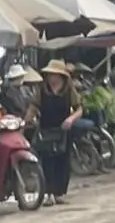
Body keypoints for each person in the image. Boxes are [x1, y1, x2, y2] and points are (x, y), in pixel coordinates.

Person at [32, 60, 81, 205]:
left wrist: (71, 119)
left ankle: (59, 192)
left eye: (54, 75)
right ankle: (48, 193)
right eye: (49, 75)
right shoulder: (42, 89)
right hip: (46, 128)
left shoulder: (68, 89)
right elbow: (34, 106)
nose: (52, 78)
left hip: (63, 129)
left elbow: (79, 109)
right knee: (47, 161)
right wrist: (27, 120)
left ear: (61, 76)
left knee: (63, 161)